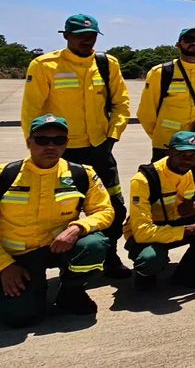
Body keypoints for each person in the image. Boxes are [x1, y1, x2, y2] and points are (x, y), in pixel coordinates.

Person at [21, 13, 131, 278]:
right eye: (81, 36)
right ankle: (56, 259)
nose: (87, 41)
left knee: (113, 205)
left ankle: (110, 255)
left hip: (99, 148)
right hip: (61, 150)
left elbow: (121, 104)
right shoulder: (45, 65)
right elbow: (31, 111)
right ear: (66, 36)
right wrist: (39, 148)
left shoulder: (107, 64)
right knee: (59, 207)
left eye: (91, 36)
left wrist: (112, 137)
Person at [0, 115, 114, 327]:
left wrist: (78, 227)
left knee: (94, 245)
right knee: (20, 318)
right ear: (28, 142)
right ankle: (31, 290)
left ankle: (71, 291)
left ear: (66, 143)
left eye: (58, 140)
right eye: (42, 140)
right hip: (17, 257)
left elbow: (105, 210)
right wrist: (4, 266)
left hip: (58, 247)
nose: (50, 146)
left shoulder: (81, 173)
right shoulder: (6, 174)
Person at [125, 131, 195, 290]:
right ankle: (145, 274)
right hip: (153, 230)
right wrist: (189, 230)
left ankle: (188, 269)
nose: (187, 160)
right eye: (181, 154)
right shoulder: (144, 179)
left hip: (183, 222)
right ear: (168, 152)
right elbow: (142, 232)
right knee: (150, 260)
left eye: (193, 155)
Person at [138, 27, 195, 164]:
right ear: (178, 44)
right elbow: (146, 112)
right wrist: (159, 136)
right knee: (166, 183)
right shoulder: (161, 72)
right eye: (189, 40)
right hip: (168, 143)